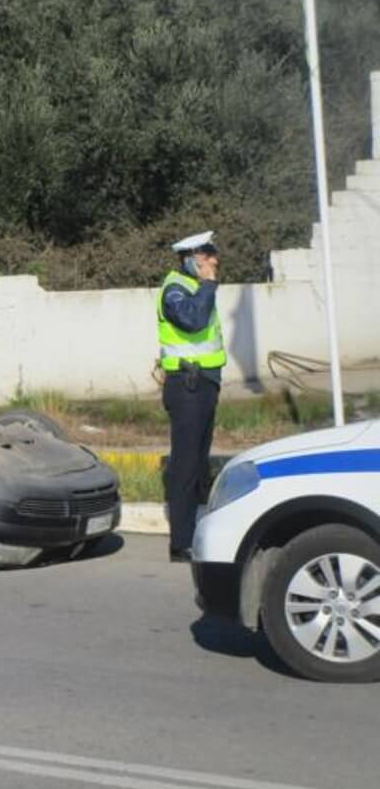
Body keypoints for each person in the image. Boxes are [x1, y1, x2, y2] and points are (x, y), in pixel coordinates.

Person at [158, 231, 226, 562]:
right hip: (187, 386)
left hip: (203, 385)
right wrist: (209, 285)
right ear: (191, 259)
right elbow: (193, 320)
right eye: (209, 255)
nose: (215, 261)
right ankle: (180, 543)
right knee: (185, 465)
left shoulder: (195, 288)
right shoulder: (175, 289)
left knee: (199, 462)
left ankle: (196, 533)